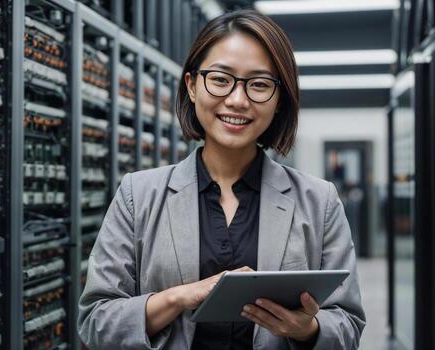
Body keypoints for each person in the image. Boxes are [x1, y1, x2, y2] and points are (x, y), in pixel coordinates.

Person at [78, 9, 365, 350]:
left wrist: (307, 330)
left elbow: (348, 324)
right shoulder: (137, 195)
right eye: (220, 79)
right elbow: (96, 321)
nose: (237, 100)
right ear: (192, 86)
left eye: (259, 84)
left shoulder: (320, 201)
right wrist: (181, 297)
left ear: (279, 101)